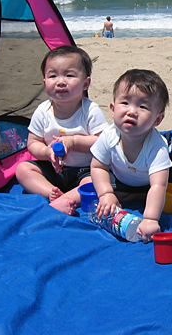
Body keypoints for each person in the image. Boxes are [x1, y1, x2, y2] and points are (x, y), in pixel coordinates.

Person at [90, 69, 172, 241]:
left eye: (142, 106)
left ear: (157, 120)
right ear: (112, 109)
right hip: (127, 174)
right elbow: (98, 166)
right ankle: (138, 193)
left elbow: (158, 185)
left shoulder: (157, 147)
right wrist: (106, 194)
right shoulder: (108, 136)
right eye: (125, 103)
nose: (132, 111)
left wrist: (150, 218)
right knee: (97, 187)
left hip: (164, 171)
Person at [15, 45, 109, 215]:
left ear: (85, 83)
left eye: (69, 75)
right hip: (53, 169)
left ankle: (64, 200)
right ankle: (52, 193)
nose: (60, 81)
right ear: (45, 82)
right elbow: (33, 142)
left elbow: (103, 142)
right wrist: (46, 151)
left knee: (97, 182)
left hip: (84, 169)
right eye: (53, 75)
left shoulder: (89, 110)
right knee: (23, 169)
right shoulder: (43, 111)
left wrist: (74, 141)